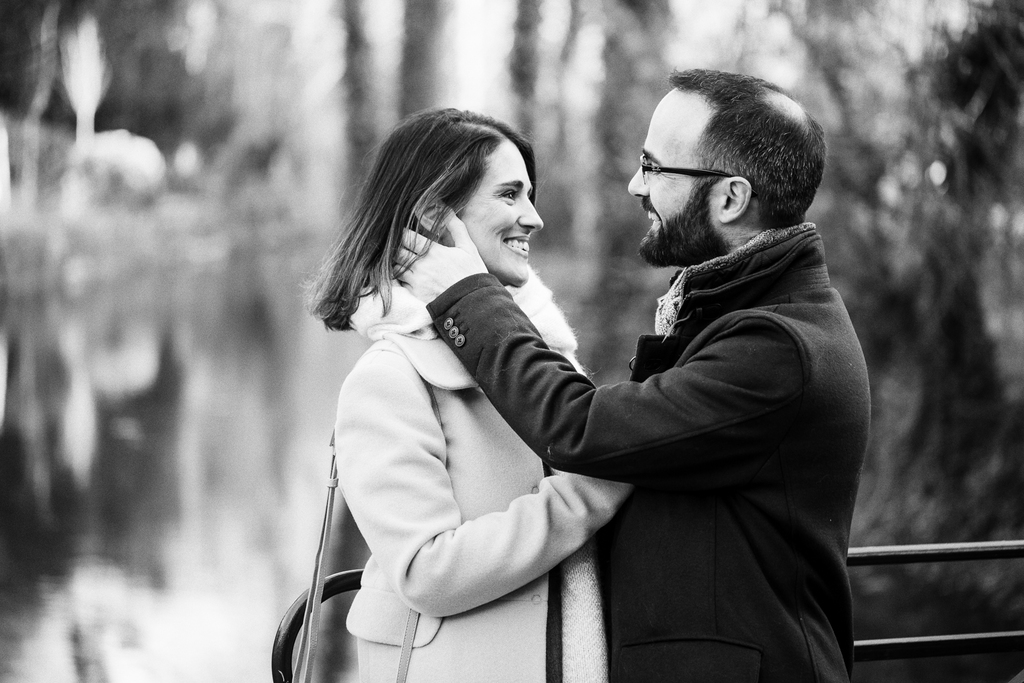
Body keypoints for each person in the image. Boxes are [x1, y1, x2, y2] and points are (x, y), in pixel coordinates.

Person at [399, 69, 872, 683]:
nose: (634, 184)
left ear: (729, 198)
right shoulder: (736, 313)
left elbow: (580, 428)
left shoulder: (777, 347)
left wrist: (468, 295)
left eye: (655, 168)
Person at [306, 108, 632, 683]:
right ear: (437, 217)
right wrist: (589, 492)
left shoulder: (541, 349)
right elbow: (427, 571)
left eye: (529, 195)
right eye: (509, 195)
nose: (532, 217)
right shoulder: (389, 378)